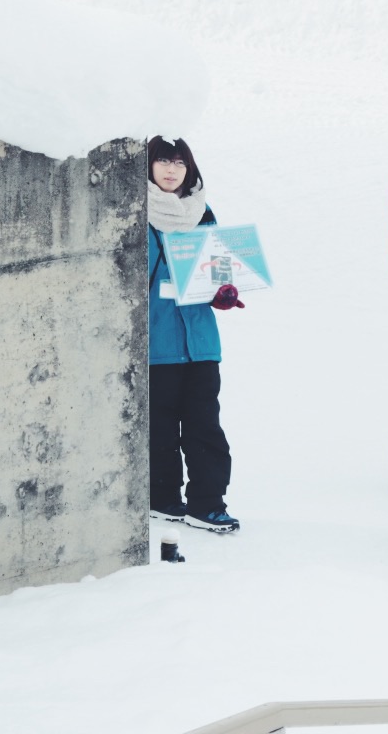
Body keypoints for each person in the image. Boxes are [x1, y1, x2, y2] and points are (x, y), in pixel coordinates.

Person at [147, 136, 245, 534]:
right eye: (163, 162)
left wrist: (225, 291)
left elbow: (218, 271)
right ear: (148, 166)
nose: (172, 170)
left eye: (180, 163)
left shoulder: (202, 215)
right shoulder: (131, 210)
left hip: (201, 343)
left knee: (206, 427)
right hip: (154, 343)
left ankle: (207, 504)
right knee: (160, 428)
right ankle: (162, 498)